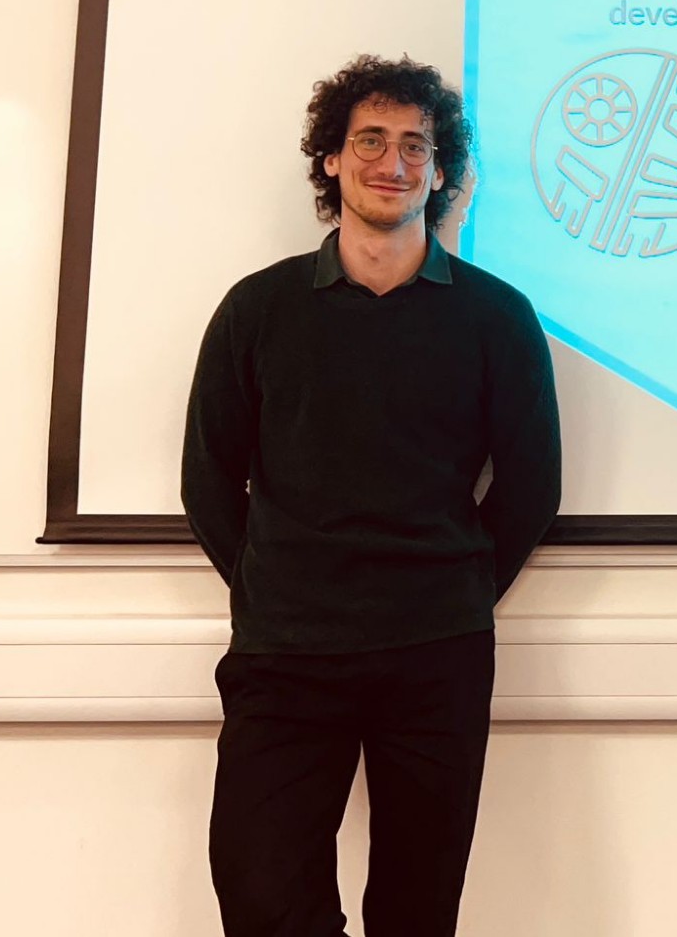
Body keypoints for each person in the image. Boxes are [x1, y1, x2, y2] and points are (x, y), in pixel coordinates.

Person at [182, 54, 561, 937]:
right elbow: (208, 478)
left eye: (415, 146)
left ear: (440, 169)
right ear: (330, 158)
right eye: (370, 141)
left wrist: (458, 588)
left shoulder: (496, 318)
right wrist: (276, 585)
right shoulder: (257, 310)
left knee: (417, 912)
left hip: (437, 654)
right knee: (262, 898)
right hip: (285, 655)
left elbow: (532, 487)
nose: (393, 162)